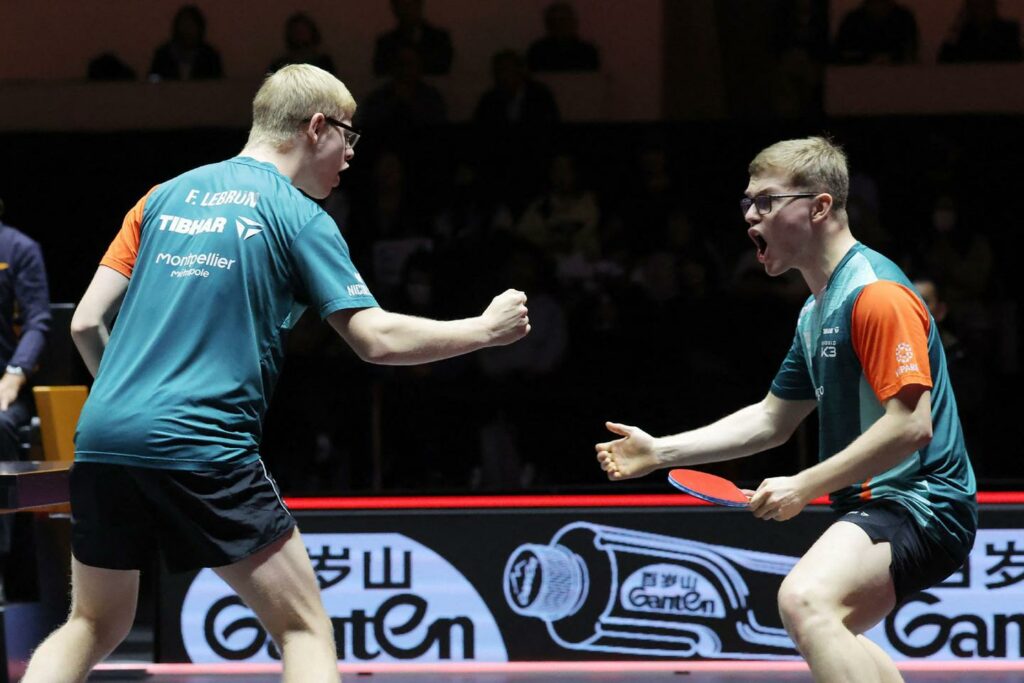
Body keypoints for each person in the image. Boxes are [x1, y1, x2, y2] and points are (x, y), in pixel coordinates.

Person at [22, 64, 530, 683]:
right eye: (350, 137)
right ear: (317, 127)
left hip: (104, 437)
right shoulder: (298, 215)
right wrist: (484, 329)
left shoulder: (162, 196)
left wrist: (130, 405)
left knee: (92, 624)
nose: (350, 158)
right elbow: (375, 340)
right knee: (303, 628)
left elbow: (84, 323)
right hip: (200, 441)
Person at [595, 137, 976, 683]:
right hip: (876, 503)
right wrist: (661, 450)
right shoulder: (815, 311)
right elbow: (773, 420)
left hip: (921, 501)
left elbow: (911, 425)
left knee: (805, 600)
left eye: (766, 201)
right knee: (825, 622)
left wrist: (804, 485)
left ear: (819, 207)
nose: (751, 215)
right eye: (747, 202)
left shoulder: (877, 296)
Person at [0, 198, 51, 598]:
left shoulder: (18, 249)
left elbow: (37, 319)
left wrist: (15, 374)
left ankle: (5, 567)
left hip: (4, 385)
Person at [373, 0, 453, 76]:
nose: (406, 10)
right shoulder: (385, 43)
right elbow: (380, 71)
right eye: (402, 6)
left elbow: (443, 68)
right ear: (395, 8)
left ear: (419, 5)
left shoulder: (439, 39)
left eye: (409, 5)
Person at [148, 4, 224, 81]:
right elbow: (153, 81)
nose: (187, 30)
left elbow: (218, 85)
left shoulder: (210, 57)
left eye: (191, 25)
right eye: (184, 24)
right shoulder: (163, 55)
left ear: (199, 28)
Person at [833, 0, 919, 64]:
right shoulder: (852, 20)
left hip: (898, 78)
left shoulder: (904, 19)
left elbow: (910, 53)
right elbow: (840, 54)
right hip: (855, 78)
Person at [938, 0, 1022, 63]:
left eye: (984, 6)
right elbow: (945, 59)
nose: (982, 11)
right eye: (977, 6)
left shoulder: (1008, 31)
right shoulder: (964, 33)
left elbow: (1015, 60)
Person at [526, 2, 601, 72]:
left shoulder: (588, 51)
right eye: (553, 21)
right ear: (547, 24)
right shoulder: (537, 51)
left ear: (573, 22)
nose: (558, 25)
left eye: (562, 20)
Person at [268, 12, 337, 75]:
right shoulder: (280, 65)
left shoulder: (324, 63)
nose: (300, 35)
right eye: (296, 31)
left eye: (303, 31)